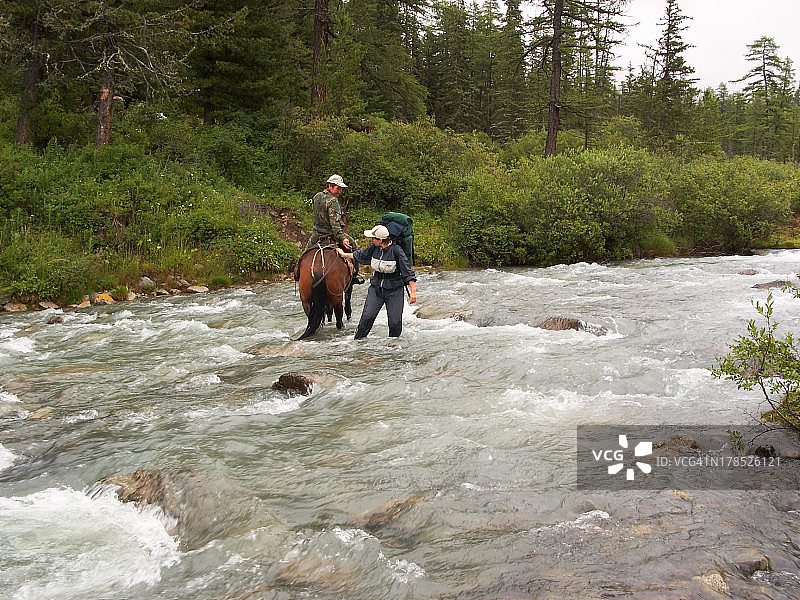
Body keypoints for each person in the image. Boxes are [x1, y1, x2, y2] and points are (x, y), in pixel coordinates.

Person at [337, 225, 417, 340]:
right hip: (376, 289)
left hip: (394, 291)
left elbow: (408, 273)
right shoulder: (374, 248)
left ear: (380, 240)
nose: (371, 240)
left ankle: (393, 345)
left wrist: (413, 292)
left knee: (395, 322)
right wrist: (344, 255)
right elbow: (362, 255)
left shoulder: (397, 252)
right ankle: (358, 342)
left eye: (373, 238)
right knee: (367, 317)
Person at [304, 174, 357, 253]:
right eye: (337, 188)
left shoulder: (317, 197)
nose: (339, 191)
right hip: (331, 234)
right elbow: (335, 224)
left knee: (304, 255)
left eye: (341, 189)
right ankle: (356, 265)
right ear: (329, 186)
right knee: (355, 248)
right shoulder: (333, 201)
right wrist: (342, 238)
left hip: (316, 235)